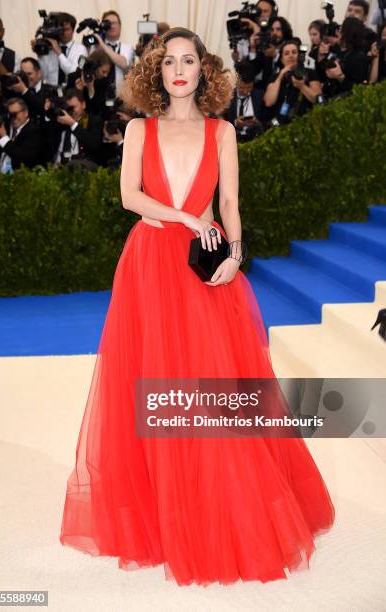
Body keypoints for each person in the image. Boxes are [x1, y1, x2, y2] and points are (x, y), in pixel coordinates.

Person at [59, 26, 335, 586]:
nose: (179, 70)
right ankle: (166, 511)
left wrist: (236, 252)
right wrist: (186, 217)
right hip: (152, 264)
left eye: (189, 60)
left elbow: (229, 201)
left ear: (203, 71)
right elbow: (129, 197)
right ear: (155, 73)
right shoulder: (140, 127)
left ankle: (223, 505)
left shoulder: (222, 131)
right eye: (169, 62)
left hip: (207, 264)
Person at [264, 40, 322, 123]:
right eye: (286, 53)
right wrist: (280, 76)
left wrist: (301, 86)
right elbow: (269, 102)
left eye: (294, 52)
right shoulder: (275, 77)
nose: (291, 55)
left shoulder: (310, 72)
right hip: (281, 124)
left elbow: (318, 99)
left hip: (306, 121)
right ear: (282, 59)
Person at [32, 12, 87, 86]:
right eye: (61, 30)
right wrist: (40, 55)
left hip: (72, 91)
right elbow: (42, 76)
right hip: (51, 90)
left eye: (67, 29)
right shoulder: (49, 49)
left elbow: (73, 73)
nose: (63, 33)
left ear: (73, 30)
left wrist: (59, 53)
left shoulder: (80, 49)